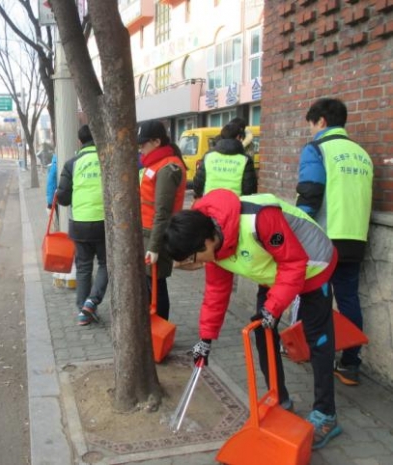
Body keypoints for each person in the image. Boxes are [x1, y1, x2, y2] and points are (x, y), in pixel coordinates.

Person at [165, 189, 341, 450]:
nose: (192, 266)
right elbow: (215, 294)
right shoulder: (213, 245)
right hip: (274, 272)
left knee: (318, 340)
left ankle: (326, 414)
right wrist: (205, 340)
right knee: (263, 334)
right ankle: (279, 400)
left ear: (205, 243)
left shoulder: (260, 219)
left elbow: (294, 263)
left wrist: (273, 306)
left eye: (191, 260)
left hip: (313, 265)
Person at [296, 97, 373, 386]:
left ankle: (312, 352)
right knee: (349, 299)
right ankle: (351, 364)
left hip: (324, 238)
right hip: (356, 238)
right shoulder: (361, 154)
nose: (311, 132)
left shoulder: (317, 149)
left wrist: (297, 230)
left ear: (322, 122)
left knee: (316, 299)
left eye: (312, 126)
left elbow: (310, 193)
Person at [55, 125, 108, 325]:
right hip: (104, 223)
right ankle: (92, 302)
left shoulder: (72, 164)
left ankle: (83, 312)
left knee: (84, 267)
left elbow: (63, 197)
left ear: (80, 142)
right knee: (106, 264)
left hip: (79, 223)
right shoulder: (107, 159)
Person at [138, 120, 186, 321]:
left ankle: (159, 327)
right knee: (151, 284)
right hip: (147, 232)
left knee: (157, 285)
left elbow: (163, 211)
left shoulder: (169, 168)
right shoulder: (156, 164)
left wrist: (155, 246)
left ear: (156, 141)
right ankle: (153, 326)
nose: (140, 150)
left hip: (156, 235)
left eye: (143, 145)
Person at [192, 121, 257, 199]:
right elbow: (249, 189)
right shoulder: (245, 159)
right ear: (238, 137)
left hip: (209, 203)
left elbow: (198, 185)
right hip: (235, 205)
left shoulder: (208, 156)